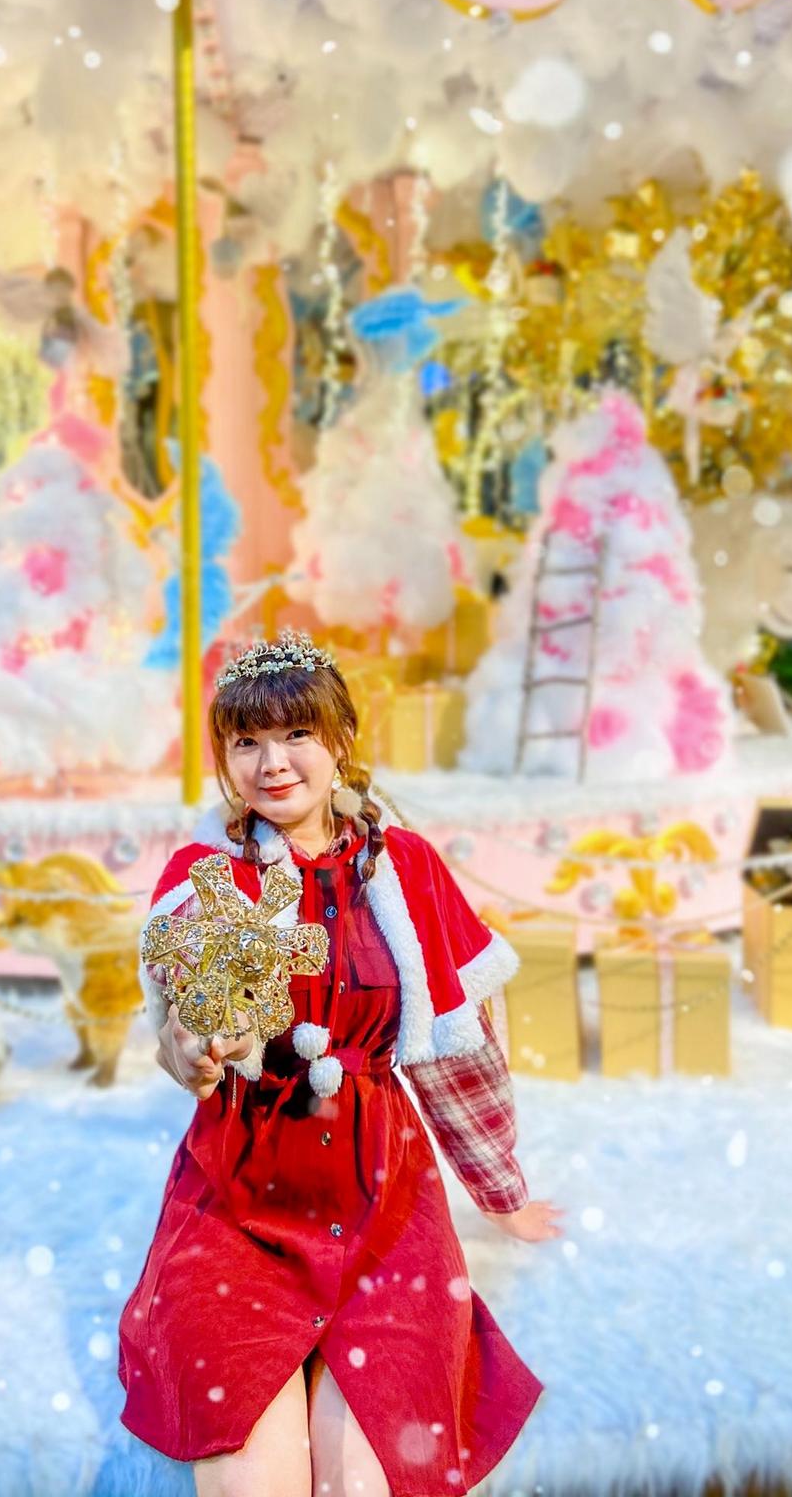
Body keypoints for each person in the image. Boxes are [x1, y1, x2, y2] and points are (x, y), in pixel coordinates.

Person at [118, 630, 563, 1497]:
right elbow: (180, 1019)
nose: (272, 764)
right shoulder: (209, 876)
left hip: (382, 1197)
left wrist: (500, 1192)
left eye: (296, 734)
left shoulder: (408, 870)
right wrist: (198, 1052)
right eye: (246, 742)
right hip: (240, 1197)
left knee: (366, 1475)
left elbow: (459, 1053)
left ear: (340, 739)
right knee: (251, 1473)